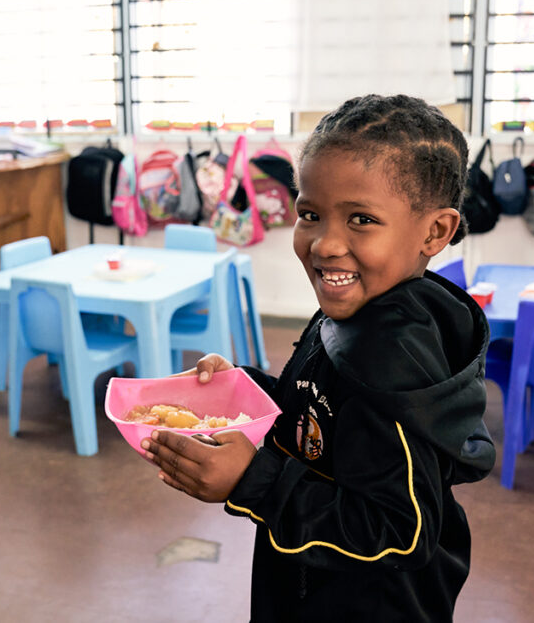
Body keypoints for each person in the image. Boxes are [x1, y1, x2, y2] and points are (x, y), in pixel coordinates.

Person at [142, 94, 496, 622]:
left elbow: (400, 534)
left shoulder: (395, 358)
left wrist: (252, 482)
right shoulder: (355, 310)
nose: (325, 243)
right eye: (310, 214)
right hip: (306, 582)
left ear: (435, 231)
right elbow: (323, 402)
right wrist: (246, 389)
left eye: (361, 219)